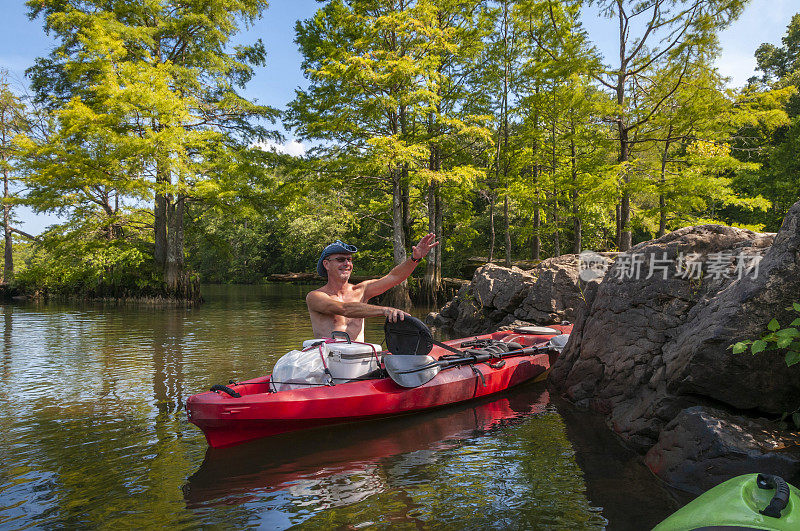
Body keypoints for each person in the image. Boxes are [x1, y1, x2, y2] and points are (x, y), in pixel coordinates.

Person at [306, 234, 439, 342]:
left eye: (350, 259)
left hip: (358, 358)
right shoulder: (315, 296)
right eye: (341, 259)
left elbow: (394, 277)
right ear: (326, 264)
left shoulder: (361, 290)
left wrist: (415, 259)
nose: (347, 264)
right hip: (328, 359)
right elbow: (344, 309)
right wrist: (385, 310)